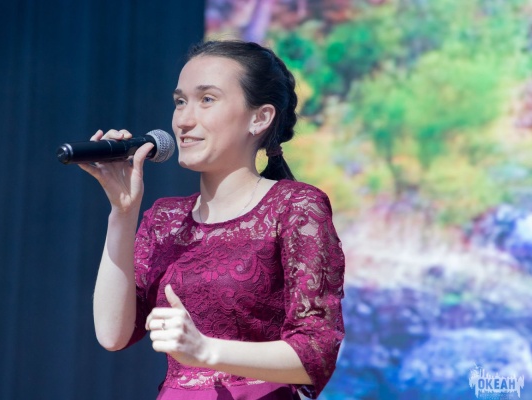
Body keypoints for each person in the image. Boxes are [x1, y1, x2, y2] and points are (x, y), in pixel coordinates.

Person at [79, 40, 345, 400]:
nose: (184, 120)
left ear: (260, 118)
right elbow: (113, 334)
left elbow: (316, 351)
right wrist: (122, 212)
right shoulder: (165, 219)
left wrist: (205, 350)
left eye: (207, 99)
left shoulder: (295, 206)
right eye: (180, 102)